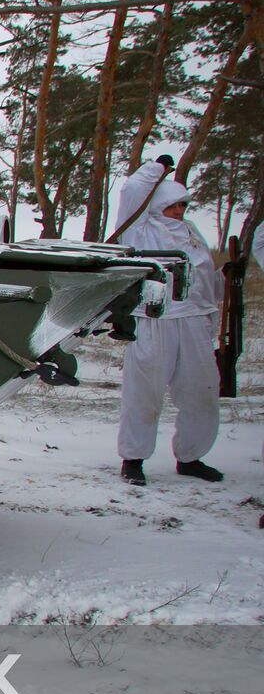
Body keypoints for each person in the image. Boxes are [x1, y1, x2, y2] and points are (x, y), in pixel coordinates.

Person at [114, 159, 225, 486]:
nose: (178, 210)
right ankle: (133, 459)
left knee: (200, 392)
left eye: (182, 205)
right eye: (172, 205)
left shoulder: (191, 232)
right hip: (153, 318)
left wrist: (221, 284)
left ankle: (191, 456)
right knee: (144, 393)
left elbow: (203, 276)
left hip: (193, 321)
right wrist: (155, 168)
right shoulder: (137, 228)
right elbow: (132, 189)